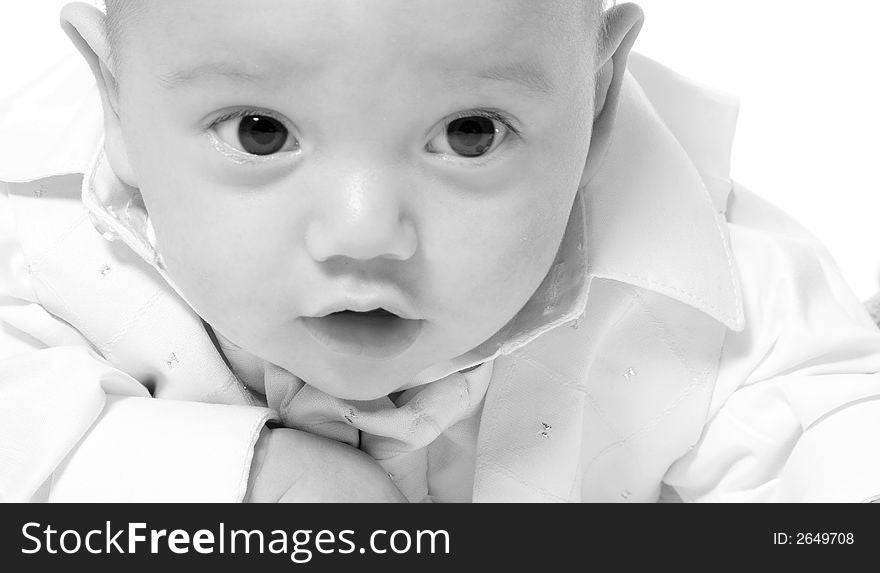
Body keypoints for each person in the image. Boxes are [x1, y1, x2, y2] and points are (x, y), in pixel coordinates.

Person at [3, 0, 880, 503]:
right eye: (261, 134)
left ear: (598, 95)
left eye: (469, 134)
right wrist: (244, 480)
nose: (364, 230)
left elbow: (830, 436)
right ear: (115, 103)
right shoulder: (44, 248)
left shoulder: (724, 297)